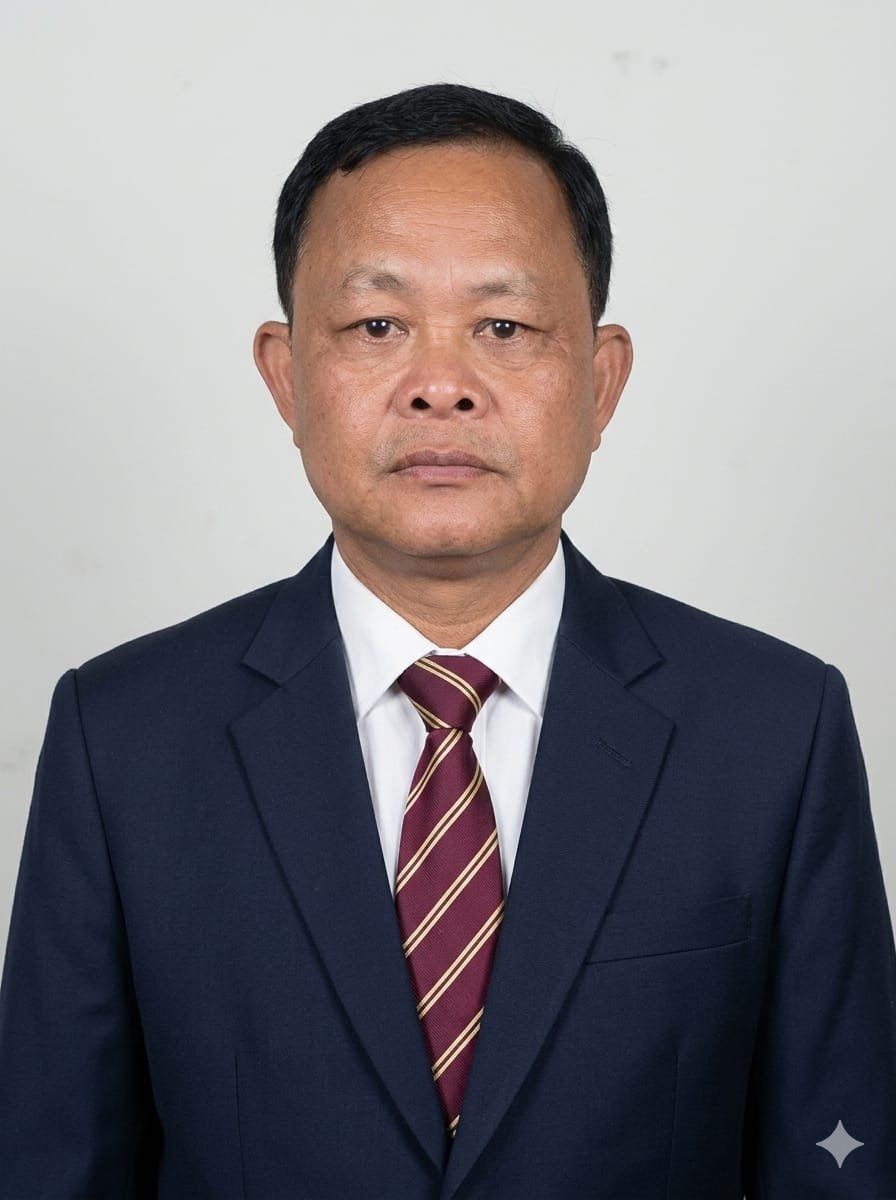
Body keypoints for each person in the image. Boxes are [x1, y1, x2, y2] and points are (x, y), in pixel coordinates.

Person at [0, 82, 894, 1200]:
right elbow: (53, 1165)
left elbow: (841, 1162)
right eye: (377, 326)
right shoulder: (124, 737)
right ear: (284, 374)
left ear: (601, 380)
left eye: (503, 328)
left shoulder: (772, 731)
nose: (440, 388)